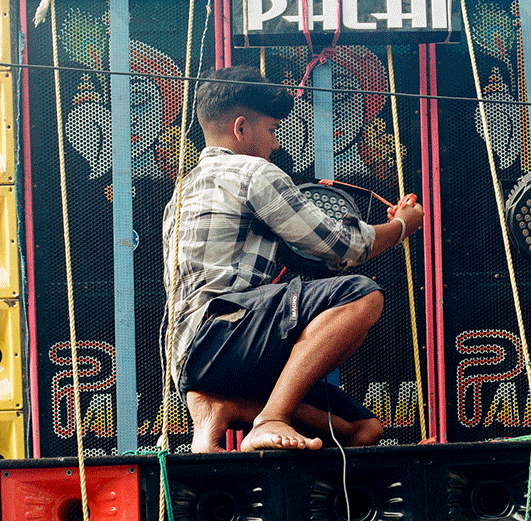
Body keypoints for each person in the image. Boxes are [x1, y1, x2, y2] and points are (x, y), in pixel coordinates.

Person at [162, 66, 424, 452]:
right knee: (362, 295)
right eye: (271, 131)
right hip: (222, 337)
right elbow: (340, 248)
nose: (274, 144)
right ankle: (270, 418)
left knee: (363, 429)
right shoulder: (253, 172)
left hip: (191, 359)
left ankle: (226, 407)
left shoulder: (183, 189)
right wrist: (402, 226)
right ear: (241, 128)